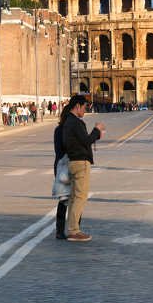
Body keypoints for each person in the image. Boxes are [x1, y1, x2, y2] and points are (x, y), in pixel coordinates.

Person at [62, 95, 106, 242]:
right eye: (85, 107)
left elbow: (80, 141)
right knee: (80, 197)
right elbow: (86, 140)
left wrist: (96, 135)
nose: (85, 110)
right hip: (81, 163)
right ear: (78, 106)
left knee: (74, 198)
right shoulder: (75, 122)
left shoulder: (67, 121)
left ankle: (71, 228)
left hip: (73, 161)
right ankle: (74, 230)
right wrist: (97, 130)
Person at [52, 104, 72, 239]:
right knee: (73, 199)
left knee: (64, 199)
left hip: (59, 165)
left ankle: (60, 230)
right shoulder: (65, 130)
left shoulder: (58, 129)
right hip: (66, 165)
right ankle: (73, 228)